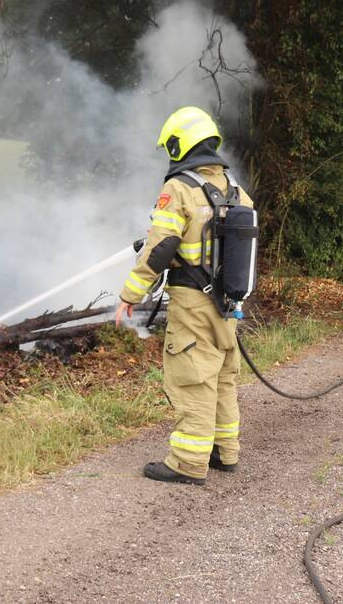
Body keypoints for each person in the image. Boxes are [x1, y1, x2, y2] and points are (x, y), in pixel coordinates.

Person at [115, 106, 251, 485]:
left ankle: (188, 463)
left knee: (193, 377)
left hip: (193, 304)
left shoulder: (179, 189)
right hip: (228, 303)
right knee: (223, 376)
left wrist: (131, 294)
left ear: (181, 144)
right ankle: (226, 452)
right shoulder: (235, 190)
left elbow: (160, 248)